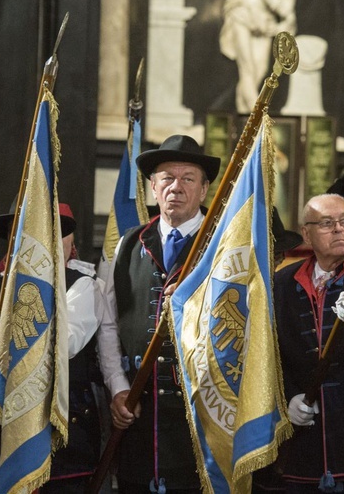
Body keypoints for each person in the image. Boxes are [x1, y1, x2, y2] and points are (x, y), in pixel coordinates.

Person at [97, 134, 220, 493]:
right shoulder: (128, 244)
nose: (176, 188)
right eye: (166, 178)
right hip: (137, 414)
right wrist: (118, 388)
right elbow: (107, 324)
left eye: (188, 178)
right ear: (152, 187)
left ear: (204, 188)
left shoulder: (223, 246)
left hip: (202, 415)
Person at [258, 193, 344, 493]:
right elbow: (271, 355)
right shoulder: (282, 283)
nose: (339, 229)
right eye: (327, 223)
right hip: (304, 445)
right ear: (307, 233)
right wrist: (288, 398)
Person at [0, 203, 105, 493]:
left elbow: (69, 342)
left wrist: (10, 339)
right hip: (2, 433)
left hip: (63, 434)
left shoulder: (82, 287)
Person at [219, 0, 297, 113]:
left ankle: (244, 115)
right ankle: (256, 117)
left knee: (260, 70)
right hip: (243, 8)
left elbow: (287, 7)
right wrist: (281, 9)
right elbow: (278, 5)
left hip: (264, 18)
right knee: (247, 69)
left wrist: (286, 17)